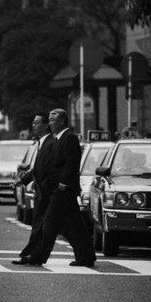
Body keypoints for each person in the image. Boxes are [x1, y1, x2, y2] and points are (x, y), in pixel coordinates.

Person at [19, 108, 96, 267]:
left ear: (62, 121)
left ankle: (37, 256)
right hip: (60, 189)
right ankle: (86, 257)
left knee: (50, 224)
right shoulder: (58, 139)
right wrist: (26, 179)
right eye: (50, 120)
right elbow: (48, 165)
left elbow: (72, 163)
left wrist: (64, 182)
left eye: (53, 120)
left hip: (63, 190)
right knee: (74, 225)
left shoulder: (69, 138)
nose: (50, 124)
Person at [12, 113, 55, 264]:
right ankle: (86, 255)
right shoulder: (42, 142)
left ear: (45, 125)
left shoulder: (50, 142)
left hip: (47, 192)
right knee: (71, 228)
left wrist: (44, 186)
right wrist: (23, 180)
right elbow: (37, 168)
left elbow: (49, 169)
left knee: (40, 225)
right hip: (44, 192)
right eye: (33, 122)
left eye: (37, 123)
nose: (33, 125)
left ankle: (32, 255)